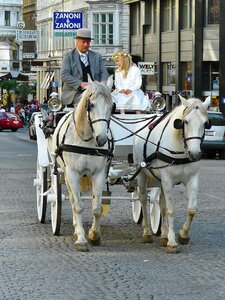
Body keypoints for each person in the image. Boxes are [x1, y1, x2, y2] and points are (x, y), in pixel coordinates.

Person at [60, 28, 109, 106]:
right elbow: (64, 75)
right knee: (85, 103)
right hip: (75, 93)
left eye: (88, 42)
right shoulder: (68, 56)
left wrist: (102, 84)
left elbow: (104, 73)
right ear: (76, 42)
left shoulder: (97, 56)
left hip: (95, 91)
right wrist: (81, 84)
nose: (86, 45)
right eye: (83, 42)